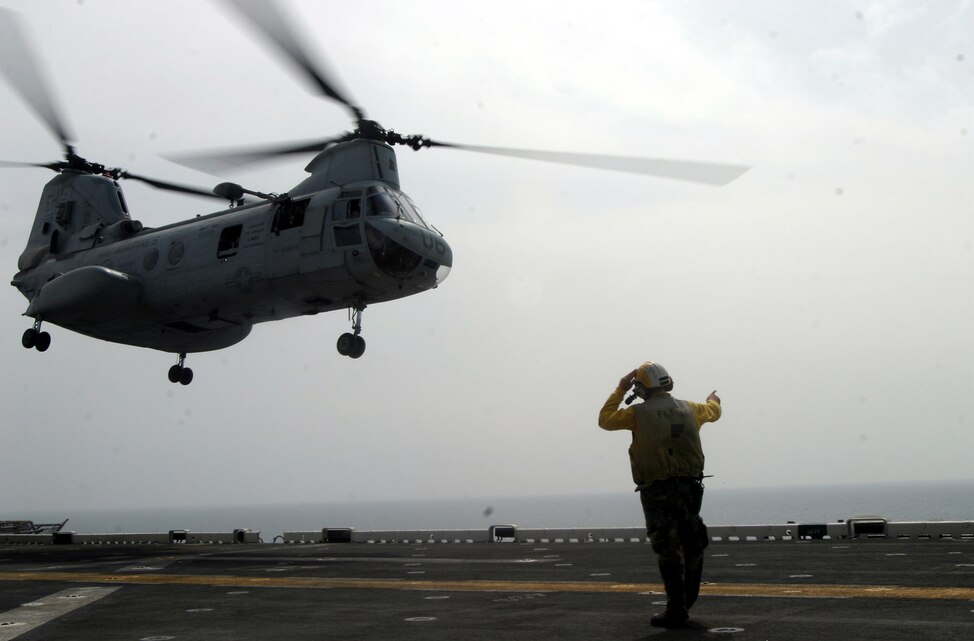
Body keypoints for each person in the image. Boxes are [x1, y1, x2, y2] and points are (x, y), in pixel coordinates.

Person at [598, 361, 722, 629]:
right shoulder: (692, 408)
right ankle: (686, 601)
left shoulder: (637, 414)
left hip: (657, 492)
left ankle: (676, 609)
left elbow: (605, 420)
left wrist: (620, 389)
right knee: (693, 542)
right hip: (690, 489)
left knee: (667, 549)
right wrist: (713, 400)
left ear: (642, 388)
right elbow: (714, 411)